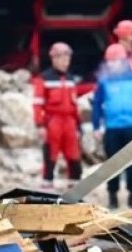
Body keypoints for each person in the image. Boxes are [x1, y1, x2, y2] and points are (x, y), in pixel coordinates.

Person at [92, 44, 132, 210]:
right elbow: (97, 105)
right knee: (112, 165)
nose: (113, 65)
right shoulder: (104, 82)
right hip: (112, 129)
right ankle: (112, 196)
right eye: (110, 62)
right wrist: (96, 126)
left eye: (116, 61)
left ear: (124, 61)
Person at [32, 42, 84, 186]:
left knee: (73, 154)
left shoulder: (70, 79)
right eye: (62, 58)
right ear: (54, 59)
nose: (65, 61)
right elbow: (37, 104)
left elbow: (75, 105)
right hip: (52, 121)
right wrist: (40, 125)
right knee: (50, 153)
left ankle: (74, 186)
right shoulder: (44, 78)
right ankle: (47, 185)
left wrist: (79, 126)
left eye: (67, 58)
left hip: (69, 122)